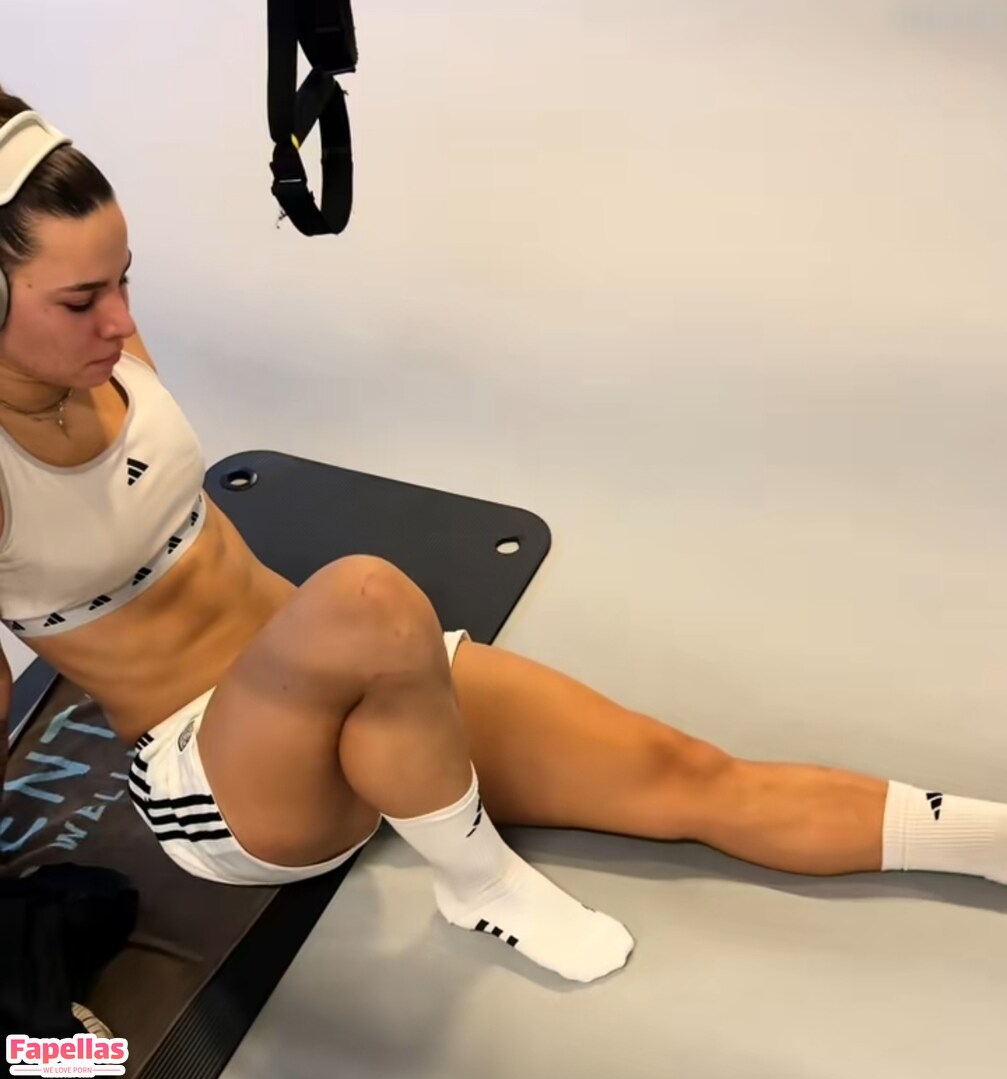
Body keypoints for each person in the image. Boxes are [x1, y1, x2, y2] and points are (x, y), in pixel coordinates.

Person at [0, 87, 1004, 987]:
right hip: (225, 784)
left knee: (689, 775)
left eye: (125, 281)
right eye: (83, 301)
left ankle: (987, 836)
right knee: (363, 594)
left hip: (362, 678)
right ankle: (477, 881)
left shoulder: (100, 343)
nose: (120, 321)